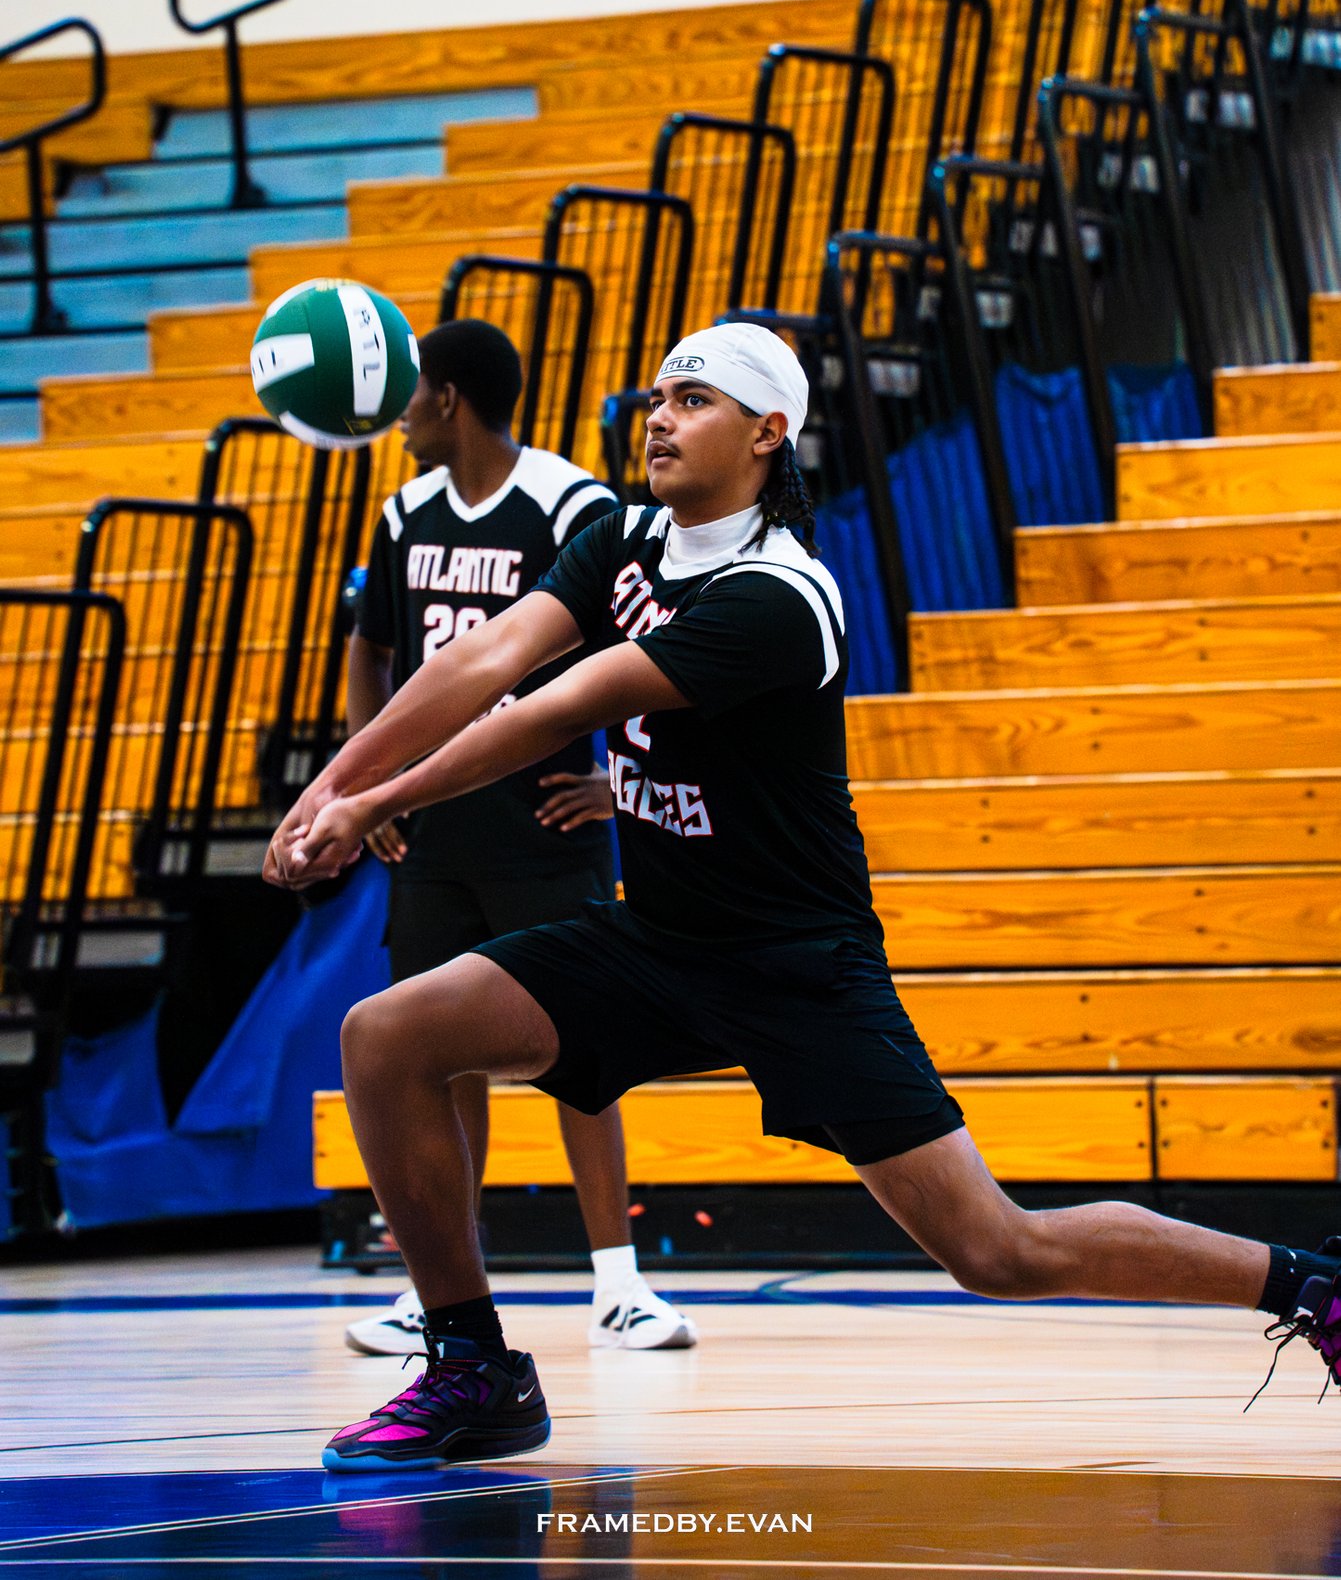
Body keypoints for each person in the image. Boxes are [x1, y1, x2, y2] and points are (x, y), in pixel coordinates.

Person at [267, 321, 1341, 1474]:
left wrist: (375, 801)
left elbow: (551, 708)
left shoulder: (781, 592)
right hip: (659, 938)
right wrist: (335, 785)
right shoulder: (626, 538)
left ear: (768, 432)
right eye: (658, 396)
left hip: (796, 962)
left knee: (997, 1250)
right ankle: (472, 1368)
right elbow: (478, 661)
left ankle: (1312, 1286)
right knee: (387, 1036)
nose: (660, 417)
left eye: (693, 400)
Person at [339, 318, 695, 1359]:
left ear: (449, 398)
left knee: (583, 1051)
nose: (401, 415)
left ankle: (619, 1285)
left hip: (544, 824)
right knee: (432, 1058)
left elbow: (662, 647)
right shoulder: (402, 512)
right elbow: (370, 647)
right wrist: (367, 778)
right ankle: (443, 1289)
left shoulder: (574, 504)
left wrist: (619, 781)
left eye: (413, 393)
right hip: (434, 832)